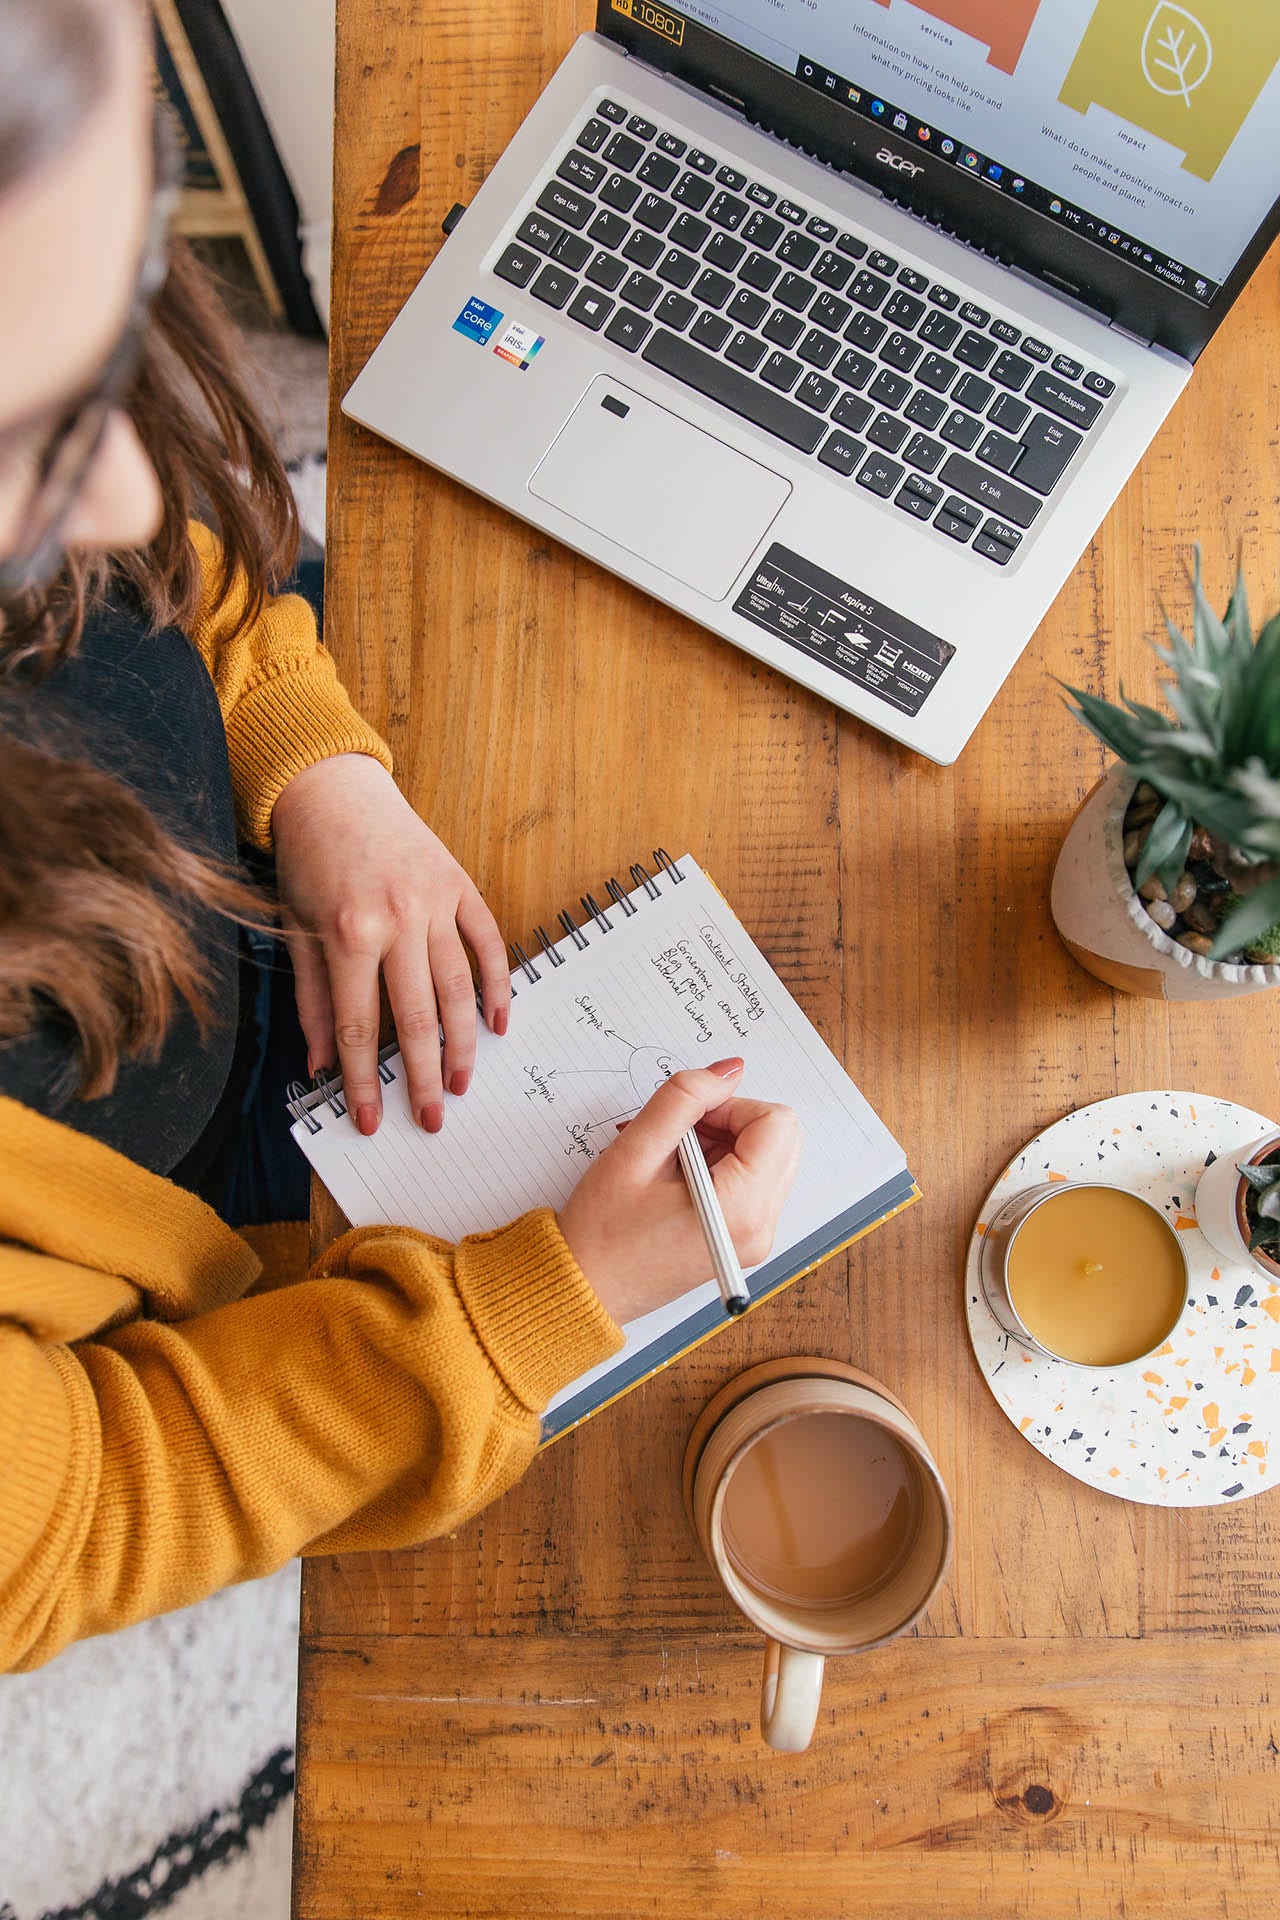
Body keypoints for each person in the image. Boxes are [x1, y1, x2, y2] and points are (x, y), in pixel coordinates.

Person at [0, 0, 802, 1672]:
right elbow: (91, 1505)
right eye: (40, 451)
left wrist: (307, 758)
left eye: (114, 321)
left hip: (269, 901)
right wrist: (533, 1316)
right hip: (223, 1257)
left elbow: (199, 547)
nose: (134, 517)